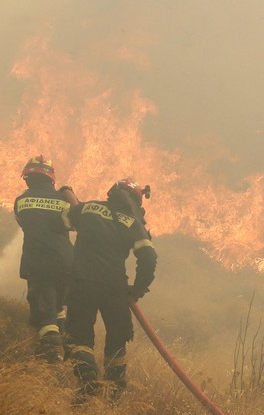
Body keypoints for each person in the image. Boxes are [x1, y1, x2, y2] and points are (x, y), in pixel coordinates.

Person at [62, 178, 157, 399]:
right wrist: (137, 290)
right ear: (135, 201)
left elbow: (67, 221)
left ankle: (88, 382)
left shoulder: (87, 208)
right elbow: (149, 257)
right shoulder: (133, 223)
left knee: (78, 335)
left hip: (82, 283)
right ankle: (114, 394)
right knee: (117, 339)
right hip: (115, 288)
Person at [14, 155, 79, 363]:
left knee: (44, 315)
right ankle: (68, 348)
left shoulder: (21, 201)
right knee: (58, 307)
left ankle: (51, 360)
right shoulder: (64, 202)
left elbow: (24, 222)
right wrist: (69, 195)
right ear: (51, 179)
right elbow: (76, 224)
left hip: (38, 263)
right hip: (65, 263)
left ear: (27, 178)